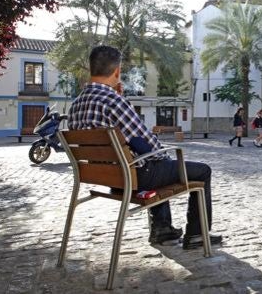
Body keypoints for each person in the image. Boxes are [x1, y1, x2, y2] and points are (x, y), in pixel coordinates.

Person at [67, 46, 222, 249]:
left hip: (108, 177)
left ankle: (162, 229)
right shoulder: (113, 101)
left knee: (155, 164)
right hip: (131, 177)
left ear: (91, 68)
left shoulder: (76, 105)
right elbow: (148, 144)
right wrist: (122, 101)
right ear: (117, 71)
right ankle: (197, 235)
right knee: (197, 170)